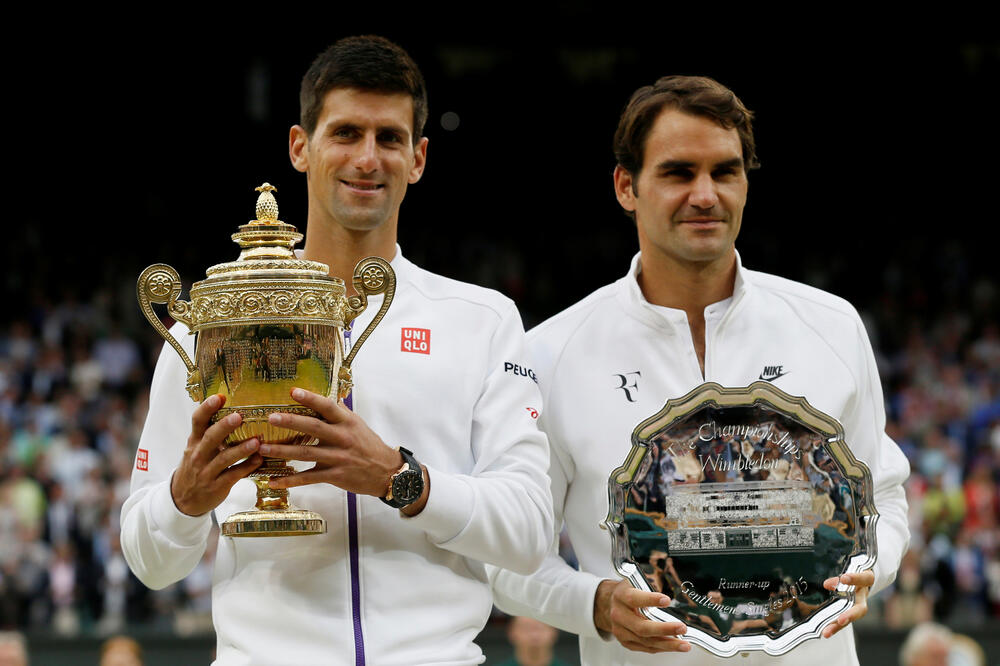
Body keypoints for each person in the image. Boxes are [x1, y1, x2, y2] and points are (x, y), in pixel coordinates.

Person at [120, 35, 553, 665]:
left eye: (389, 138)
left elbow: (530, 533)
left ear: (419, 158)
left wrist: (399, 479)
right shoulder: (211, 322)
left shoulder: (483, 322)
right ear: (301, 147)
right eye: (346, 133)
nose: (367, 158)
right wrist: (184, 499)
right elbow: (148, 560)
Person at [488, 75, 911, 665]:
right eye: (679, 172)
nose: (706, 194)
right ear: (626, 186)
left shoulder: (831, 326)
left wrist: (872, 565)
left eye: (725, 171)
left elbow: (885, 500)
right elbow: (508, 555)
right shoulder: (550, 353)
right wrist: (593, 604)